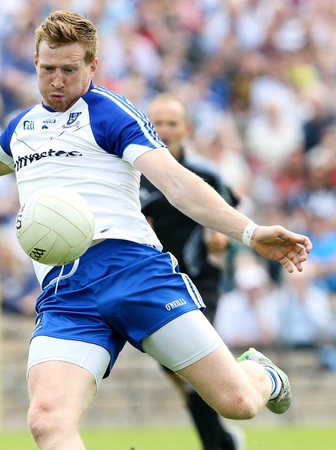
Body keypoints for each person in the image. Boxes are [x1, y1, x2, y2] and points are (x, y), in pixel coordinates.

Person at [0, 11, 312, 450]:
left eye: (69, 70)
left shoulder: (110, 113)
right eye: (48, 68)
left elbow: (176, 182)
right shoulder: (23, 127)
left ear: (92, 66)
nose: (57, 81)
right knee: (47, 421)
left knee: (238, 403)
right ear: (34, 63)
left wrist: (250, 233)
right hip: (66, 291)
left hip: (133, 270)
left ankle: (262, 375)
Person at [140, 94, 246, 450]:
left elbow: (228, 218)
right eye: (158, 123)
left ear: (186, 129)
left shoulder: (205, 174)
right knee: (184, 374)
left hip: (199, 282)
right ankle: (225, 441)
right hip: (152, 288)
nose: (165, 130)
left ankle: (220, 443)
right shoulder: (129, 175)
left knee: (195, 365)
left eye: (172, 123)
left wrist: (220, 239)